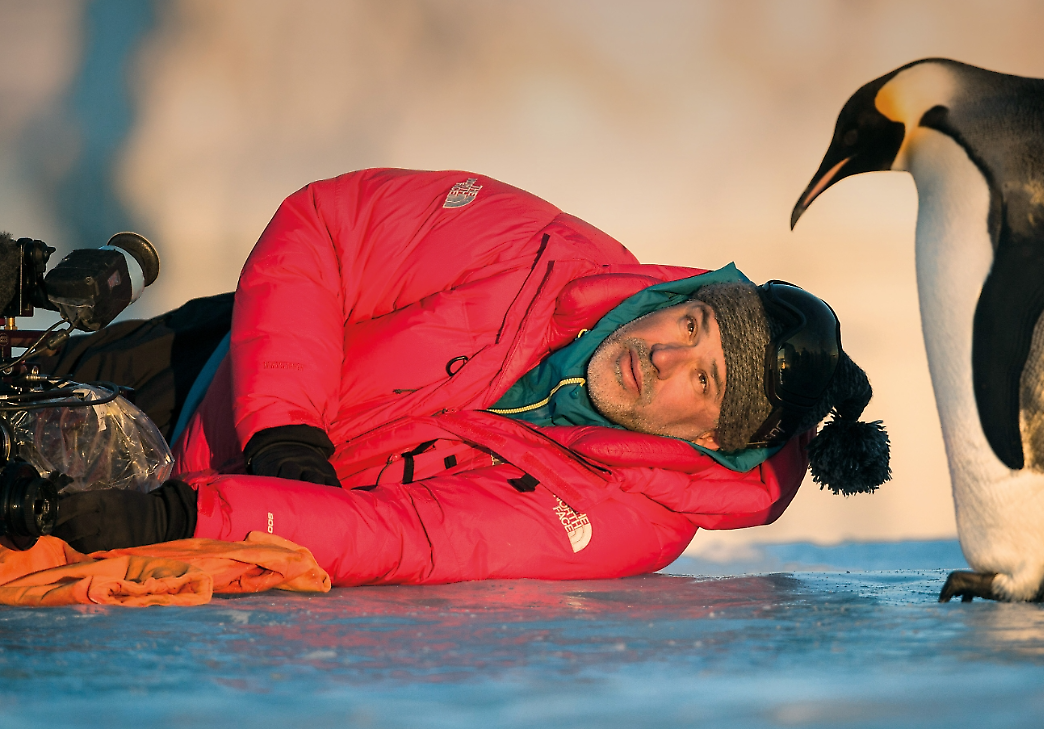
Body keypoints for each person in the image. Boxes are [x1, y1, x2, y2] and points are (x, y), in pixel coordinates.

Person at [43, 168, 889, 585]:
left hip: (204, 531)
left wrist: (193, 513)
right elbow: (329, 228)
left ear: (709, 438)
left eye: (702, 382)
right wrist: (283, 427)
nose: (664, 355)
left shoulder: (628, 522)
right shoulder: (540, 248)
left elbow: (415, 537)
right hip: (201, 370)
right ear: (688, 296)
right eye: (693, 323)